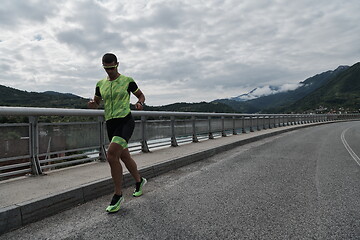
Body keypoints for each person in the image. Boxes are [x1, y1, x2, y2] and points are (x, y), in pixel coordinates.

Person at [88, 53, 146, 213]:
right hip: (111, 124)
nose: (110, 71)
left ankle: (118, 194)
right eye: (106, 68)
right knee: (124, 156)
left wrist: (140, 102)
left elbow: (140, 94)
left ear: (117, 64)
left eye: (112, 68)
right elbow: (97, 101)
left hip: (125, 121)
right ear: (103, 66)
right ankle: (139, 181)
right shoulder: (100, 84)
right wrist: (93, 104)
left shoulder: (127, 80)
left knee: (112, 155)